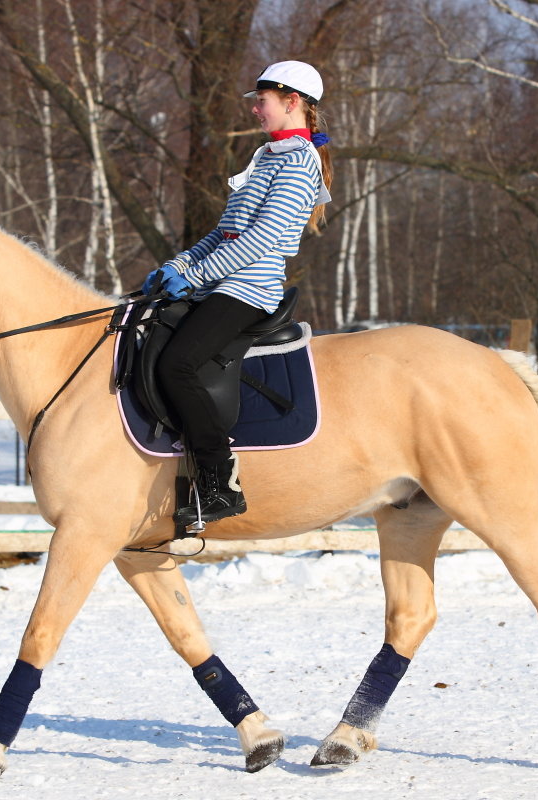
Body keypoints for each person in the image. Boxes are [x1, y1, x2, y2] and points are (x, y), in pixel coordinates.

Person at [142, 60, 333, 527]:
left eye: (261, 100)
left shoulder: (299, 160)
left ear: (292, 102)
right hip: (221, 281)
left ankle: (219, 481)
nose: (253, 109)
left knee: (178, 364)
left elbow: (262, 239)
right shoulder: (267, 156)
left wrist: (198, 274)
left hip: (250, 289)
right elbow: (226, 232)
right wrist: (180, 264)